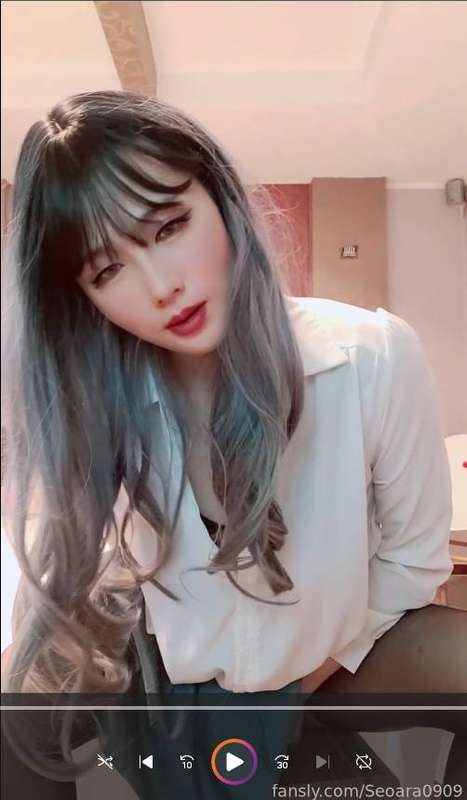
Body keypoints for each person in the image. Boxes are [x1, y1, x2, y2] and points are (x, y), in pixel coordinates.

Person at [1, 90, 466, 797]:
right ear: (82, 297)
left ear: (219, 198)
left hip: (323, 668)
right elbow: (77, 574)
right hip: (172, 682)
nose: (162, 286)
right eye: (107, 270)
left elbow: (412, 560)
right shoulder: (99, 400)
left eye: (168, 226)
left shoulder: (368, 356)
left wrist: (312, 676)